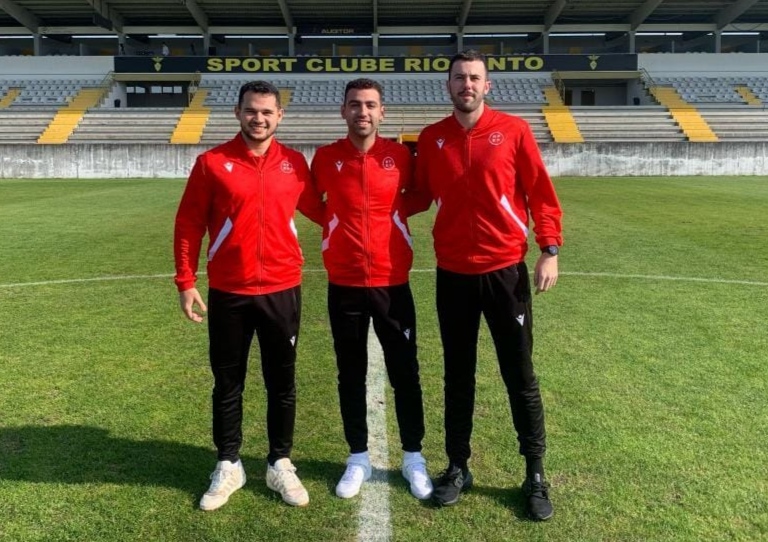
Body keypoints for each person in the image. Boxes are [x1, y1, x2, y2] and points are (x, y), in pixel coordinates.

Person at [409, 50, 563, 520]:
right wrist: (363, 201)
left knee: (519, 375)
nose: (466, 85)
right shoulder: (432, 139)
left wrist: (549, 249)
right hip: (453, 274)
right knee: (458, 376)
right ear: (448, 86)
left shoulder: (514, 130)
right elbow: (416, 195)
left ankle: (534, 472)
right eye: (459, 77)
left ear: (487, 85)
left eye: (474, 77)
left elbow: (539, 192)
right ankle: (458, 466)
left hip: (505, 272)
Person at [174, 80, 321, 510]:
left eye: (267, 112)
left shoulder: (294, 163)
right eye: (252, 111)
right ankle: (228, 463)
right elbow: (188, 224)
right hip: (229, 291)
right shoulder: (212, 162)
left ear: (280, 116)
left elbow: (324, 211)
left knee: (283, 381)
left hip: (282, 288)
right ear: (238, 113)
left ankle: (280, 462)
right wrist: (186, 281)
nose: (259, 118)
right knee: (228, 382)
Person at [308, 78, 433, 500]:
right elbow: (311, 202)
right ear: (343, 111)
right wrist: (336, 225)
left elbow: (421, 196)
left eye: (371, 105)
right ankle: (357, 455)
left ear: (383, 113)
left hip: (392, 281)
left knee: (405, 373)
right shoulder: (325, 157)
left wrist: (392, 217)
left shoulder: (400, 156)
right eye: (355, 105)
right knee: (350, 374)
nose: (363, 112)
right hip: (343, 282)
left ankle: (413, 456)